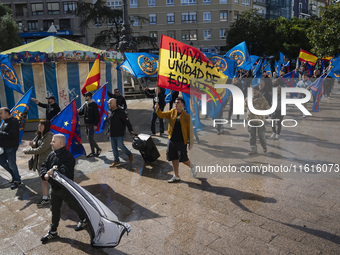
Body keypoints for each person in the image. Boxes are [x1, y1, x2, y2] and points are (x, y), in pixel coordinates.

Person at [40, 134, 87, 244]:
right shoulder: (52, 154)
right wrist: (44, 175)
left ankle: (84, 219)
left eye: (53, 141)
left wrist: (53, 172)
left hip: (65, 189)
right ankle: (53, 231)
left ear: (60, 144)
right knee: (54, 209)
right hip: (54, 189)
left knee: (73, 205)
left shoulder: (68, 156)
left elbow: (66, 172)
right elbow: (44, 166)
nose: (51, 143)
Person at [155, 97, 195, 183]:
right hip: (172, 140)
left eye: (178, 102)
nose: (175, 104)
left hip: (181, 141)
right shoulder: (172, 112)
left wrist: (190, 142)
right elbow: (161, 115)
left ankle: (192, 166)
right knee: (173, 158)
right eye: (175, 102)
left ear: (182, 104)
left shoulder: (186, 116)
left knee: (184, 159)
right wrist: (157, 109)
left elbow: (190, 130)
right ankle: (176, 176)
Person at [23, 120, 53, 205]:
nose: (39, 126)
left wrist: (27, 151)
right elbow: (38, 146)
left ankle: (52, 196)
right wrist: (33, 145)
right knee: (43, 180)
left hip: (46, 162)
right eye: (39, 124)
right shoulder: (40, 135)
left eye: (41, 125)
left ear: (46, 126)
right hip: (39, 162)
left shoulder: (49, 136)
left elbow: (41, 149)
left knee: (47, 180)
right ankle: (45, 197)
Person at [107, 98, 134, 167]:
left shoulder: (121, 112)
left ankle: (129, 154)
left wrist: (130, 130)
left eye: (111, 103)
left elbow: (127, 122)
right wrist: (108, 131)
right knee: (114, 148)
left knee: (120, 145)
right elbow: (109, 123)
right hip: (112, 134)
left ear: (115, 103)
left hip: (119, 133)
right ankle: (116, 160)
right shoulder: (109, 112)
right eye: (109, 103)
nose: (109, 104)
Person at [245, 86, 270, 155]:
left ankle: (264, 146)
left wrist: (267, 115)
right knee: (252, 136)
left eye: (255, 90)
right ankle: (254, 149)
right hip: (251, 119)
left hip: (260, 120)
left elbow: (267, 107)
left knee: (261, 135)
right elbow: (245, 107)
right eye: (253, 90)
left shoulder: (262, 98)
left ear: (258, 91)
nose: (254, 92)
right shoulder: (248, 98)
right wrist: (245, 102)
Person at [0, 107, 21, 189]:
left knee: (12, 164)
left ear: (7, 113)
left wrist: (0, 132)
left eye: (1, 113)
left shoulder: (13, 121)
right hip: (4, 147)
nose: (0, 115)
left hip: (11, 147)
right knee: (2, 161)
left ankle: (17, 181)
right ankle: (15, 176)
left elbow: (12, 135)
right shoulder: (4, 121)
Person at [78, 92, 101, 157]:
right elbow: (82, 113)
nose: (85, 97)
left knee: (90, 138)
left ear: (89, 97)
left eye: (86, 96)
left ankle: (98, 148)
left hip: (92, 124)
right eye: (85, 96)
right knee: (89, 138)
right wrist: (78, 112)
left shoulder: (93, 104)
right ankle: (93, 152)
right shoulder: (85, 104)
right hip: (86, 123)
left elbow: (97, 115)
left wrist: (96, 124)